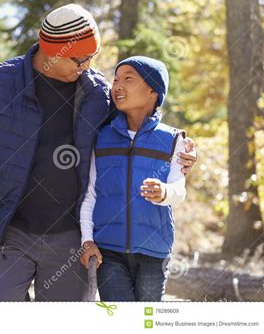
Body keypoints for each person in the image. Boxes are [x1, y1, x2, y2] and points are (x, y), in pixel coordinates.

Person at [0, 4, 197, 301]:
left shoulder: (97, 94)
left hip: (72, 239)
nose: (87, 66)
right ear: (54, 52)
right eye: (80, 58)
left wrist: (179, 151)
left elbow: (135, 131)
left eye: (92, 57)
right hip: (9, 232)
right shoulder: (0, 83)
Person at [80, 56, 187, 301]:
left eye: (128, 79)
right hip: (108, 251)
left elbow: (179, 190)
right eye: (116, 79)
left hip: (154, 251)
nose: (118, 85)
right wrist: (87, 240)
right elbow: (91, 194)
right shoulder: (101, 137)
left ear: (153, 91)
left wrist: (164, 192)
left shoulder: (173, 139)